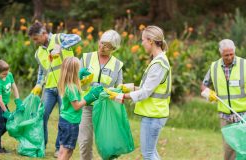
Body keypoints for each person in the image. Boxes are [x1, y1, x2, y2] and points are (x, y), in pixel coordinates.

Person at [110, 25, 171, 160]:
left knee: (148, 154)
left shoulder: (159, 64)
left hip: (154, 114)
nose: (141, 43)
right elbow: (149, 88)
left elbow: (146, 93)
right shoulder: (158, 61)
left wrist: (122, 96)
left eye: (143, 40)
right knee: (152, 152)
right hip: (154, 113)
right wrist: (130, 88)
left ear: (150, 41)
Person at [200, 39, 246, 160]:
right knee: (229, 151)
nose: (229, 57)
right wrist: (208, 93)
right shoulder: (214, 67)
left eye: (231, 54)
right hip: (226, 117)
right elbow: (204, 85)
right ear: (220, 54)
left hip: (245, 116)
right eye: (226, 55)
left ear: (234, 51)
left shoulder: (244, 64)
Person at [28, 22, 81, 156]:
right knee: (42, 117)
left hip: (66, 86)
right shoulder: (39, 52)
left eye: (36, 38)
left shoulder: (58, 38)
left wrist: (61, 47)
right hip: (50, 88)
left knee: (63, 118)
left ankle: (59, 149)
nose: (35, 42)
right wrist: (39, 84)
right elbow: (42, 70)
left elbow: (76, 38)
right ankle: (41, 146)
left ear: (44, 34)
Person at [78, 30, 124, 160]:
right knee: (85, 141)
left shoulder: (117, 65)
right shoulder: (86, 58)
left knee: (107, 143)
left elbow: (119, 87)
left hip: (106, 107)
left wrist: (111, 92)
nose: (102, 47)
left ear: (113, 48)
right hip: (87, 105)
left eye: (107, 46)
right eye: (101, 43)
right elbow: (74, 80)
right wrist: (80, 78)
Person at [57, 57, 103, 160]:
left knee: (62, 148)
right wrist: (90, 97)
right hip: (70, 122)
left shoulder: (66, 83)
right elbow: (76, 106)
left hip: (64, 120)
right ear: (74, 71)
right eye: (78, 69)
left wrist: (78, 76)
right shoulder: (72, 87)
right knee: (68, 151)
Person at [0, 60, 23, 153]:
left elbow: (14, 87)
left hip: (4, 104)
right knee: (0, 125)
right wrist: (6, 112)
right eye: (4, 74)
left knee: (7, 125)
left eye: (7, 73)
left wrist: (18, 100)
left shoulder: (9, 75)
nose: (6, 75)